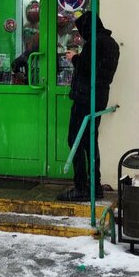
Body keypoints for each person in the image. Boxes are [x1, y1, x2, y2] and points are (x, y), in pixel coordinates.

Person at [58, 12, 120, 202]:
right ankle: (95, 186)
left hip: (86, 97)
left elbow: (87, 68)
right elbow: (99, 70)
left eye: (82, 29)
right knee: (90, 141)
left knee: (75, 140)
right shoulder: (111, 43)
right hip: (98, 97)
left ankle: (81, 187)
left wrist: (74, 58)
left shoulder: (95, 43)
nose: (81, 34)